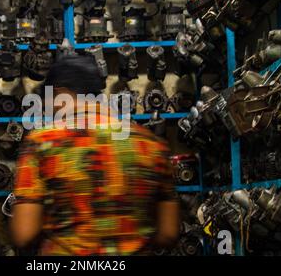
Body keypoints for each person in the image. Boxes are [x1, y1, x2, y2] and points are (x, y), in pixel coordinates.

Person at [10, 55, 179, 255]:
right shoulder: (150, 143)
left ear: (58, 93)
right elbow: (168, 233)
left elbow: (24, 234)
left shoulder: (41, 143)